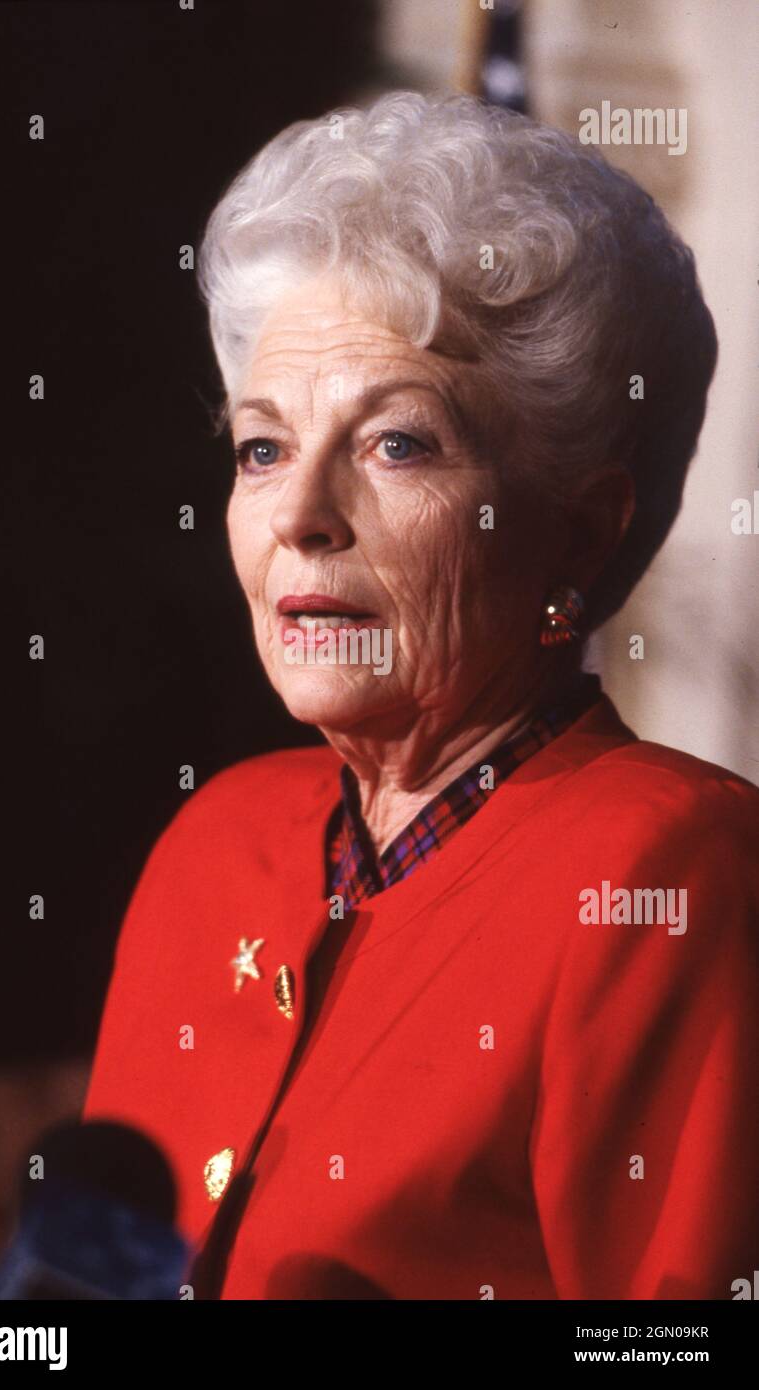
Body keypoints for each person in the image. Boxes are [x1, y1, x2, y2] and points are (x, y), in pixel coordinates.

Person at [83, 92, 759, 1300]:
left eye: (398, 444)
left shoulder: (673, 870)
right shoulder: (214, 844)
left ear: (580, 532)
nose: (299, 516)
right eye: (262, 447)